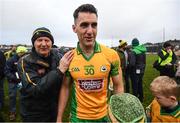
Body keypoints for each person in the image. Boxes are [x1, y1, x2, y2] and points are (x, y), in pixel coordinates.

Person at [57, 4, 124, 122]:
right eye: (84, 25)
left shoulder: (111, 55)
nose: (90, 31)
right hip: (78, 118)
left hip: (104, 117)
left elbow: (118, 85)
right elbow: (65, 87)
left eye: (94, 25)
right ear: (74, 28)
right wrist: (59, 118)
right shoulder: (69, 58)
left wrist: (118, 113)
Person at [17, 27, 74, 122]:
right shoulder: (25, 61)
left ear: (51, 43)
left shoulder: (58, 57)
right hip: (34, 113)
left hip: (53, 109)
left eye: (47, 40)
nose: (43, 44)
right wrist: (59, 71)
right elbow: (34, 89)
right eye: (39, 40)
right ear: (34, 43)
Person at [4, 46, 28, 121]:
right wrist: (14, 77)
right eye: (22, 53)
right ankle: (12, 112)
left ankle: (24, 111)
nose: (23, 54)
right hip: (13, 81)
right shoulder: (11, 60)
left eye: (24, 53)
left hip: (22, 81)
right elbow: (6, 71)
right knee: (12, 96)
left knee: (23, 96)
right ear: (18, 52)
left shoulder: (26, 59)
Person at [129, 38, 146, 102]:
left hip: (134, 71)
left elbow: (132, 63)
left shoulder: (134, 51)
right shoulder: (143, 51)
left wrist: (129, 67)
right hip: (141, 70)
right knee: (140, 84)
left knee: (135, 85)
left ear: (133, 44)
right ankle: (141, 98)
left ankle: (135, 99)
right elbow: (144, 62)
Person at [0, 50, 6, 122]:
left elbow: (3, 66)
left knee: (0, 90)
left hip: (0, 76)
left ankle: (1, 104)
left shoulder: (1, 54)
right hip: (1, 75)